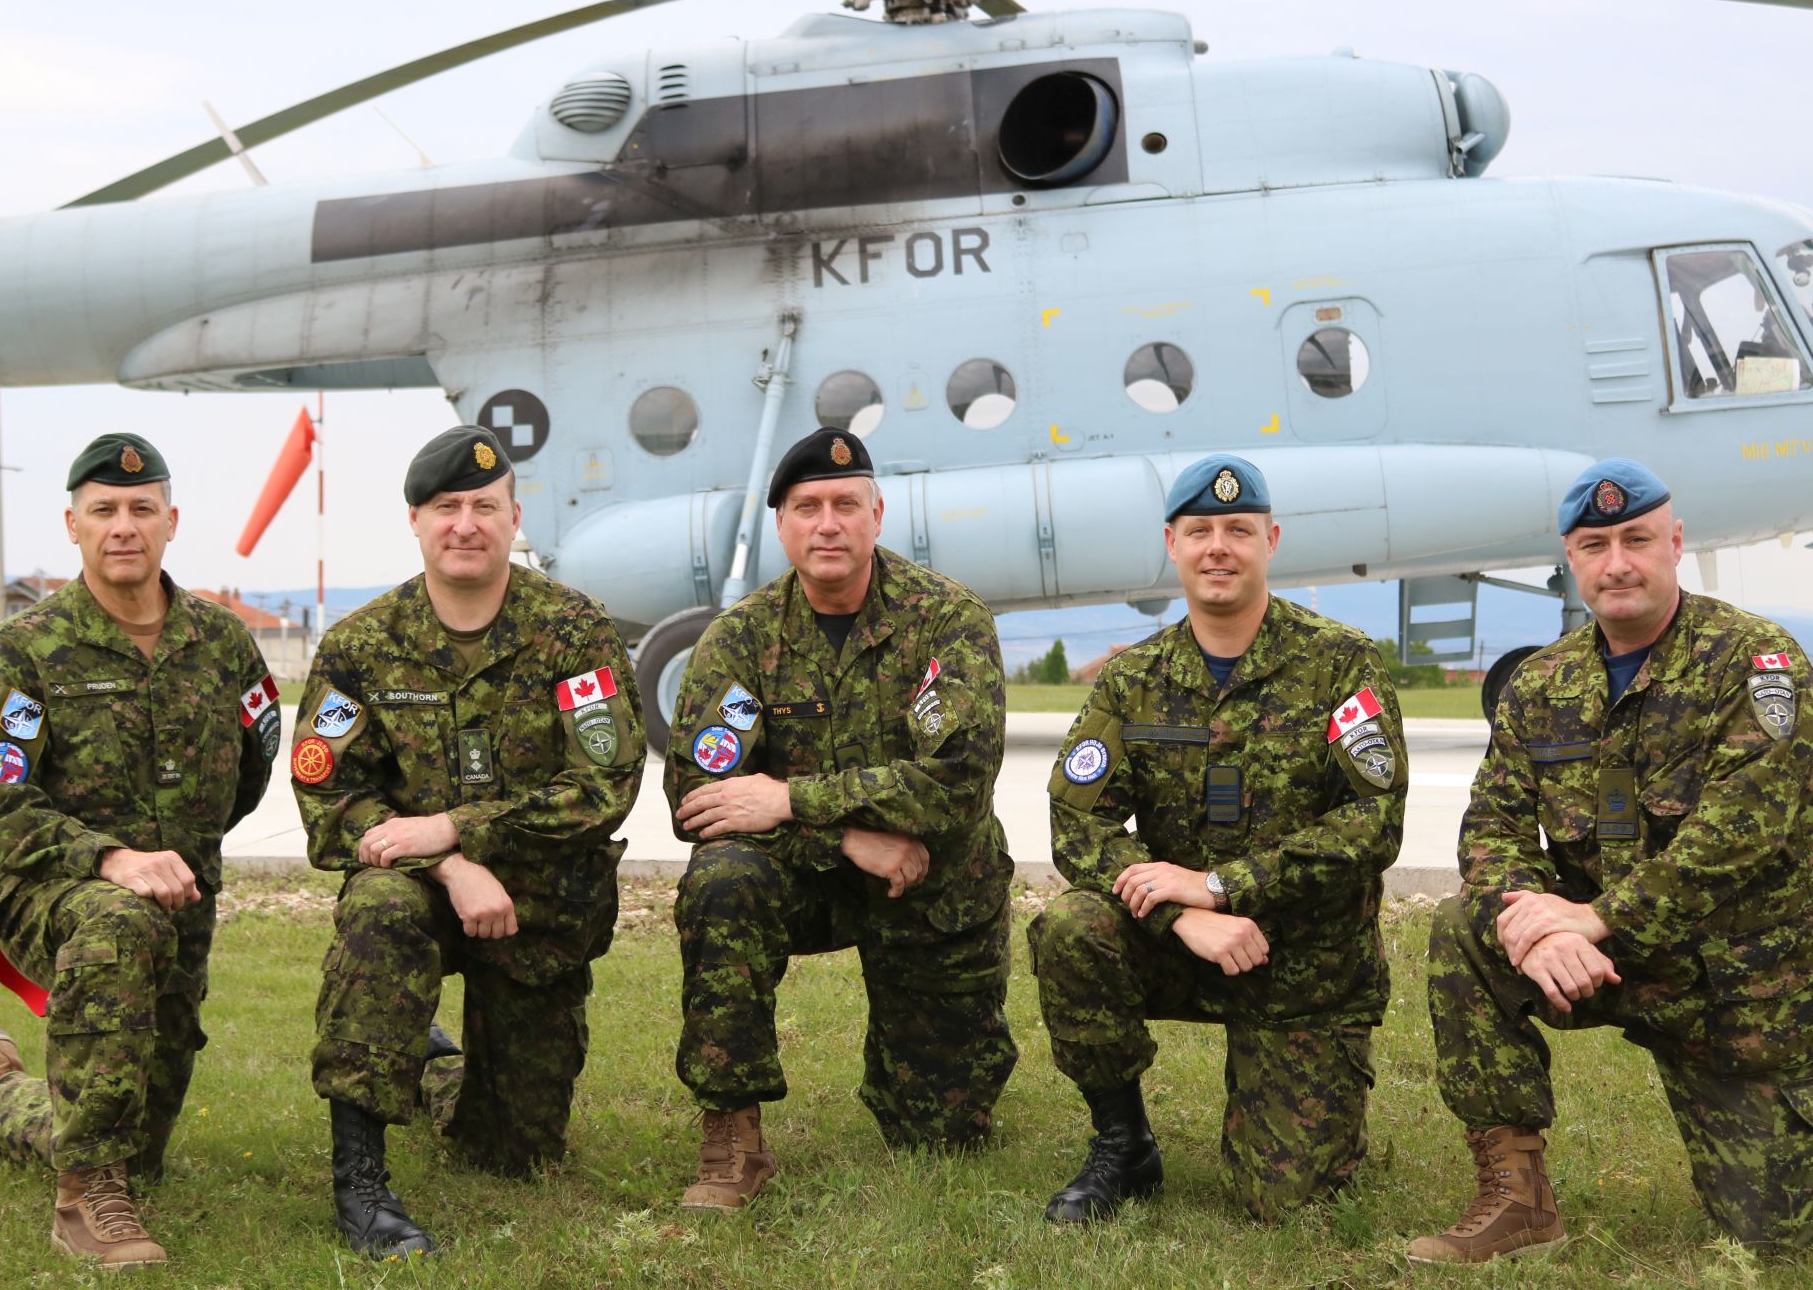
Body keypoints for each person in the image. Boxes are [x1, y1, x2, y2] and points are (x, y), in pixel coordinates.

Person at [0, 433, 278, 1268]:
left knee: (137, 1141)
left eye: (141, 508)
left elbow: (252, 767)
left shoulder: (223, 643)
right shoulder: (25, 648)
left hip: (180, 903)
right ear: (73, 525)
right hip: (50, 887)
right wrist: (110, 859)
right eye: (103, 510)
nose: (123, 526)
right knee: (117, 926)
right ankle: (83, 1205)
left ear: (171, 521)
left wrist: (178, 857)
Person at [1407, 459, 1813, 1263]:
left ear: (1676, 543)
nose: (1618, 563)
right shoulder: (1541, 684)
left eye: (1637, 540)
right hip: (1598, 962)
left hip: (1735, 986)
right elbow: (1491, 830)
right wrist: (1531, 927)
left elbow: (1741, 832)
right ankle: (1519, 1204)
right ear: (1572, 558)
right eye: (1596, 546)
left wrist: (1596, 918)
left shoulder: (1755, 661)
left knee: (1776, 1239)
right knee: (1465, 929)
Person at [294, 424, 645, 1257]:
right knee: (379, 907)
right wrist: (448, 864)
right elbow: (327, 793)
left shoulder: (575, 632)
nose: (465, 524)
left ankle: (431, 1061)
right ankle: (360, 1184)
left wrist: (459, 826)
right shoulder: (361, 646)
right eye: (445, 507)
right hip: (418, 892)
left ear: (514, 519)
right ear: (415, 521)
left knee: (514, 1153)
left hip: (538, 908)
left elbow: (605, 783)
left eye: (484, 506)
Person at [1029, 452, 1406, 1223]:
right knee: (1072, 928)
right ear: (1172, 544)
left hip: (1301, 960)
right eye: (1199, 531)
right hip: (1178, 946)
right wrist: (1180, 914)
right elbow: (1079, 819)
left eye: (1238, 529)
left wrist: (1221, 886)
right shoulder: (1134, 678)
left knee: (1286, 1203)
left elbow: (1374, 821)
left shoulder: (1341, 662)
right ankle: (1123, 1144)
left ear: (1271, 539)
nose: (1218, 547)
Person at [665, 426, 1017, 1211]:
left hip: (928, 884)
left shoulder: (947, 621)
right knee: (724, 877)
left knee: (940, 1133)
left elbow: (957, 784)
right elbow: (698, 794)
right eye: (808, 507)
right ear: (782, 525)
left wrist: (792, 798)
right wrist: (841, 835)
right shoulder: (741, 638)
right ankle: (732, 1134)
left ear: (876, 515)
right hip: (808, 881)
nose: (828, 524)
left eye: (846, 505)